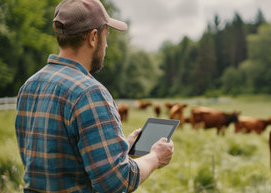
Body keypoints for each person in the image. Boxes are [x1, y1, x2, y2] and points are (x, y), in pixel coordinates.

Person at [14, 0, 174, 192]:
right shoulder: (90, 93)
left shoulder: (30, 86)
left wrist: (121, 147)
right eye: (106, 37)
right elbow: (117, 181)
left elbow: (58, 158)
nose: (106, 46)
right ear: (93, 37)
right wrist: (155, 157)